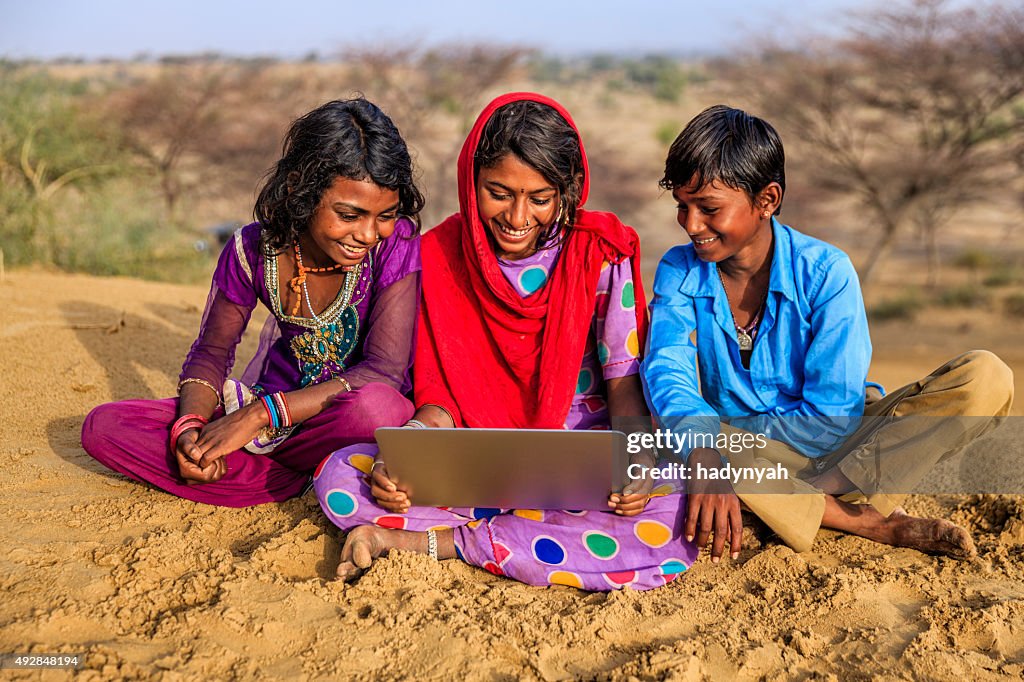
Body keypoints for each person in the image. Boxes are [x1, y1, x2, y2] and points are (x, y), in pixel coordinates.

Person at [314, 92, 699, 591]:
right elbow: (440, 401)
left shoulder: (599, 252)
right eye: (499, 192)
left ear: (568, 191)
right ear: (471, 181)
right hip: (474, 461)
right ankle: (514, 540)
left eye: (539, 199)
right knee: (343, 476)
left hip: (584, 459)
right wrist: (407, 452)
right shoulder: (435, 257)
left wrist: (634, 460)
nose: (518, 218)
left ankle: (432, 542)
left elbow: (623, 376)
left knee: (678, 504)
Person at [642, 104, 1014, 562]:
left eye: (709, 208)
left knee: (986, 376)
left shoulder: (826, 272)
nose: (691, 225)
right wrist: (706, 454)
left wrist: (742, 454)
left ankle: (800, 501)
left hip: (838, 444)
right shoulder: (679, 269)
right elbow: (667, 370)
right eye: (683, 206)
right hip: (739, 451)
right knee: (668, 437)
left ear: (767, 200)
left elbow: (832, 414)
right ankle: (864, 520)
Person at [81, 98, 423, 506]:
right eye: (349, 215)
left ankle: (269, 476)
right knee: (105, 426)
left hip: (338, 422)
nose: (368, 234)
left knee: (379, 411)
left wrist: (259, 416)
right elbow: (211, 351)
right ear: (301, 188)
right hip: (270, 427)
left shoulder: (396, 244)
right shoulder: (252, 249)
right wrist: (191, 430)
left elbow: (383, 371)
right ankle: (290, 479)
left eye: (384, 215)